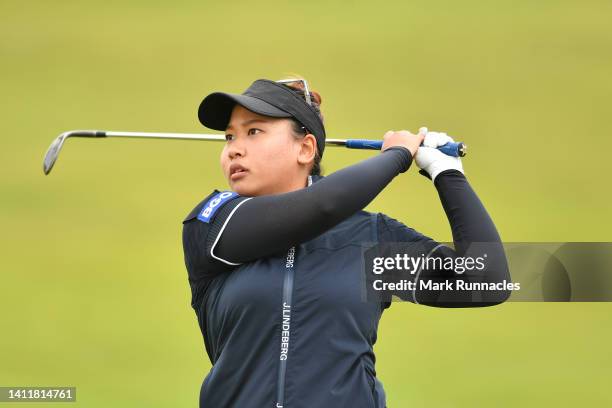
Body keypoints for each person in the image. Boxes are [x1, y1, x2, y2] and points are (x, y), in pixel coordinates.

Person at [181, 77, 510, 408]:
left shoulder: (368, 240)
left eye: (253, 131)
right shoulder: (214, 223)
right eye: (229, 137)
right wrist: (397, 155)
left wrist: (448, 174)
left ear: (305, 148)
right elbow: (323, 205)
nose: (234, 148)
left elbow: (487, 280)